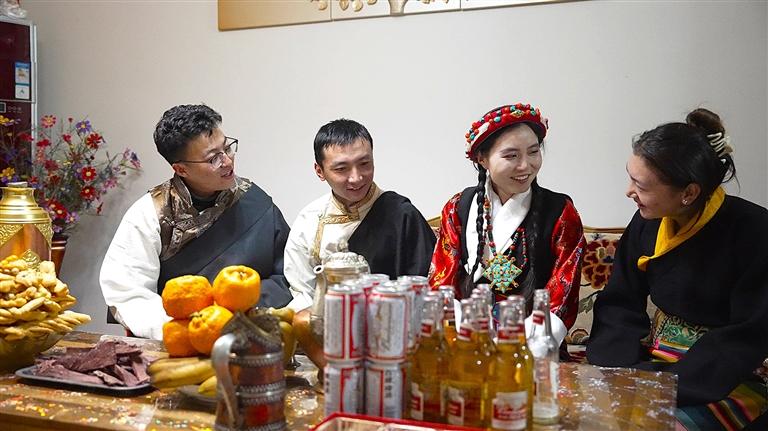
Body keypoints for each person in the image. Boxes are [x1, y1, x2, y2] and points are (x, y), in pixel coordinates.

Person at [586, 108, 768, 429]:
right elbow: (620, 300)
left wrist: (666, 384)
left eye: (640, 185)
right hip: (654, 362)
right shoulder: (648, 221)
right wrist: (621, 371)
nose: (629, 191)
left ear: (688, 193)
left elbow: (748, 332)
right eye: (630, 177)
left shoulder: (755, 231)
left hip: (722, 375)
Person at [100, 104, 292, 339]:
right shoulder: (150, 214)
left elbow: (290, 275)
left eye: (227, 148)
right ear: (181, 169)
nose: (227, 162)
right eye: (213, 158)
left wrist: (236, 314)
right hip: (183, 340)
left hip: (253, 334)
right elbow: (129, 294)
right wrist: (194, 328)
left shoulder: (254, 200)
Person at [429, 103, 584, 339]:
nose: (525, 165)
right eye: (511, 155)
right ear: (482, 159)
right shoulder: (457, 208)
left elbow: (563, 292)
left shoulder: (561, 213)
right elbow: (442, 283)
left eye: (533, 152)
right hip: (466, 336)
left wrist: (526, 342)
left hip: (534, 339)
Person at [283, 118, 436, 311]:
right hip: (327, 322)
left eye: (364, 164)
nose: (356, 178)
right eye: (341, 169)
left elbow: (426, 287)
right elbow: (303, 293)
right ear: (319, 171)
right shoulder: (309, 221)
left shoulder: (402, 214)